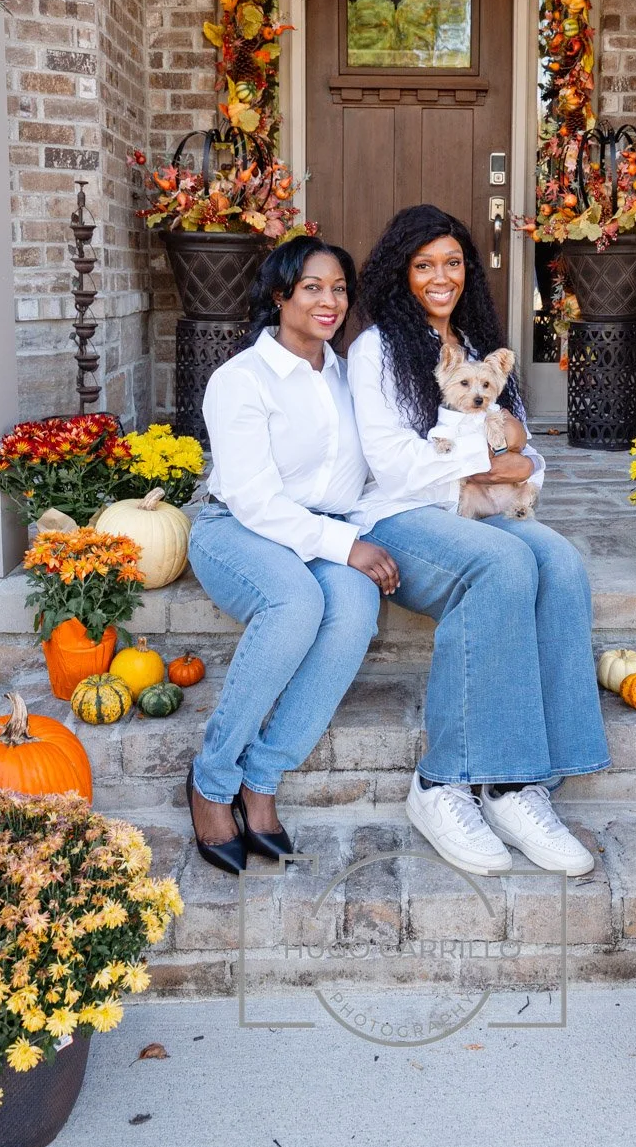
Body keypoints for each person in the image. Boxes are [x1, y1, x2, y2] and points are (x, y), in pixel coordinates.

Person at [348, 205, 609, 877]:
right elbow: (394, 464)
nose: (441, 277)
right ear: (401, 274)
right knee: (501, 565)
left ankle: (522, 786)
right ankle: (443, 783)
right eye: (424, 264)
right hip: (397, 514)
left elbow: (520, 446)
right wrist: (496, 463)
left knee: (557, 560)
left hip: (471, 503)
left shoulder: (478, 339)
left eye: (453, 263)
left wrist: (522, 463)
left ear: (469, 271)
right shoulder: (376, 349)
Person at [186, 236, 399, 875]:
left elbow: (370, 471)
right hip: (240, 531)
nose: (329, 301)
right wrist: (345, 544)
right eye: (312, 287)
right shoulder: (241, 380)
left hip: (322, 529)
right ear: (280, 295)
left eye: (338, 289)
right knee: (295, 601)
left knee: (356, 607)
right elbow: (254, 498)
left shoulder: (346, 375)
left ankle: (263, 776)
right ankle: (212, 780)